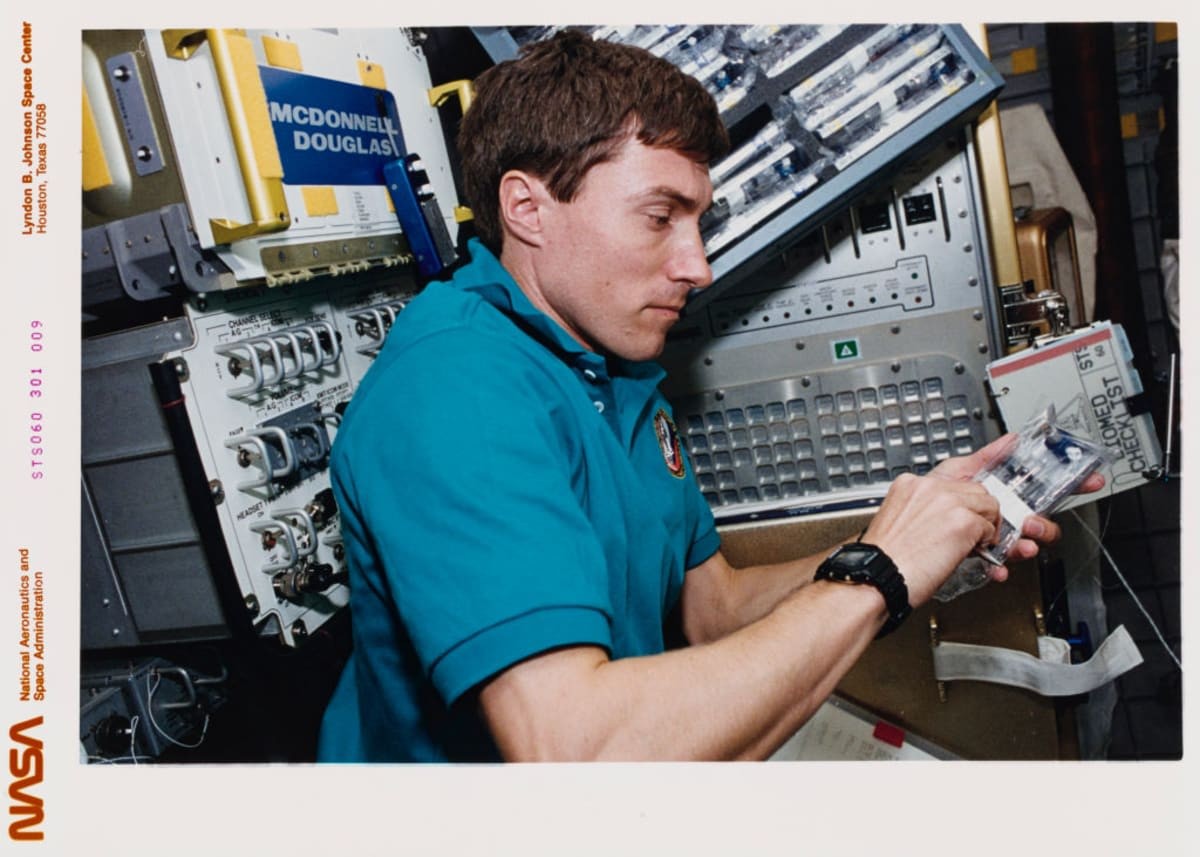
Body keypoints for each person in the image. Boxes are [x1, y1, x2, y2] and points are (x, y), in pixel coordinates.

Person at [317, 29, 1100, 762]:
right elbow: (572, 747)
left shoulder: (611, 364)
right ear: (527, 209)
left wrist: (904, 539)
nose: (698, 266)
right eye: (660, 217)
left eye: (699, 222)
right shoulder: (457, 388)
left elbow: (712, 606)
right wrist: (883, 572)